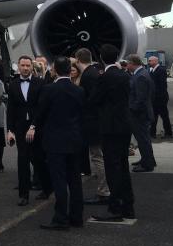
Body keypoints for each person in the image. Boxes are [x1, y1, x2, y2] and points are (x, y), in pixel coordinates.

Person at [32, 57, 85, 229]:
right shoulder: (79, 91)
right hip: (75, 139)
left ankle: (61, 218)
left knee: (59, 181)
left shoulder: (49, 90)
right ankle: (77, 217)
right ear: (70, 70)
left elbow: (41, 114)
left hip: (55, 140)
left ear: (55, 69)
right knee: (75, 180)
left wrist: (33, 127)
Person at [91, 43, 136, 221]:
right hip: (124, 125)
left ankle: (115, 207)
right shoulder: (124, 75)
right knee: (123, 166)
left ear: (101, 58)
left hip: (110, 127)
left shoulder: (105, 77)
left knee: (112, 168)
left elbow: (94, 100)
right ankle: (128, 205)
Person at [6, 55, 46, 206]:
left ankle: (46, 187)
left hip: (37, 128)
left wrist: (34, 126)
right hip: (20, 128)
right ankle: (24, 194)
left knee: (39, 159)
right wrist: (10, 130)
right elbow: (10, 109)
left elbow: (42, 108)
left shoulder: (39, 83)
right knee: (22, 160)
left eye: (28, 65)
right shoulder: (13, 85)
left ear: (31, 67)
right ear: (18, 66)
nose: (25, 68)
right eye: (22, 65)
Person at [75, 48, 109, 206]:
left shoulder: (88, 76)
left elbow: (90, 100)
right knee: (100, 156)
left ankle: (104, 191)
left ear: (77, 60)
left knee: (97, 157)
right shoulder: (95, 72)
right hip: (100, 120)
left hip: (93, 122)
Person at [126, 55, 156, 172]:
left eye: (128, 63)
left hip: (139, 115)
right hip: (141, 113)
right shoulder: (141, 73)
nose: (127, 66)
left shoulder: (140, 76)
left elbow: (141, 98)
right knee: (144, 139)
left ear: (132, 63)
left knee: (143, 140)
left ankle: (147, 164)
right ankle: (146, 159)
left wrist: (131, 109)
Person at [148, 56, 172, 138]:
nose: (149, 62)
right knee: (154, 117)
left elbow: (162, 86)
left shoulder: (160, 70)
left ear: (155, 61)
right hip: (154, 98)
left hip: (160, 98)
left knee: (164, 116)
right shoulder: (152, 71)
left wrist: (160, 97)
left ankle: (168, 133)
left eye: (150, 61)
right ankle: (152, 133)